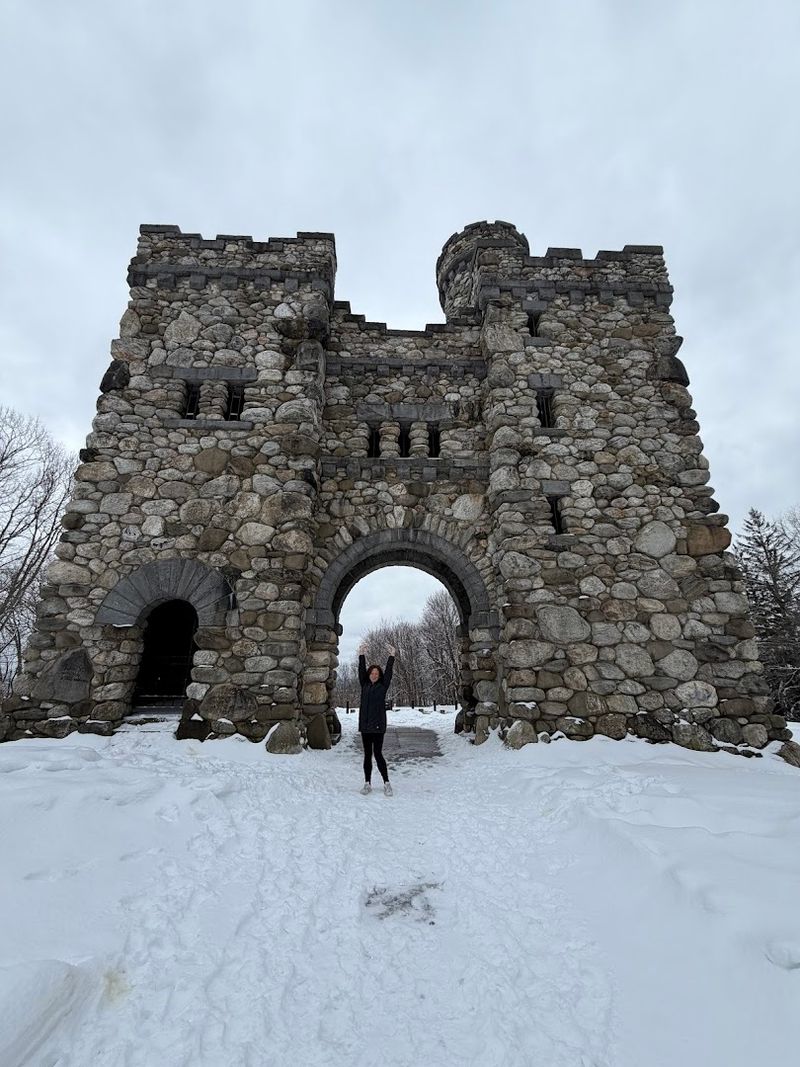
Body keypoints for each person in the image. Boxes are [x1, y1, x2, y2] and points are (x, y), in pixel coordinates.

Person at [357, 642, 395, 796]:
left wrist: (391, 656)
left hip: (378, 726)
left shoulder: (383, 686)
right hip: (365, 727)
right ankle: (367, 783)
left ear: (379, 675)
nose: (374, 675)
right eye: (372, 673)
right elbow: (361, 670)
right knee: (367, 755)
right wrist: (361, 654)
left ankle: (387, 783)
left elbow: (389, 672)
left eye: (376, 673)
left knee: (378, 754)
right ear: (369, 674)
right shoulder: (364, 685)